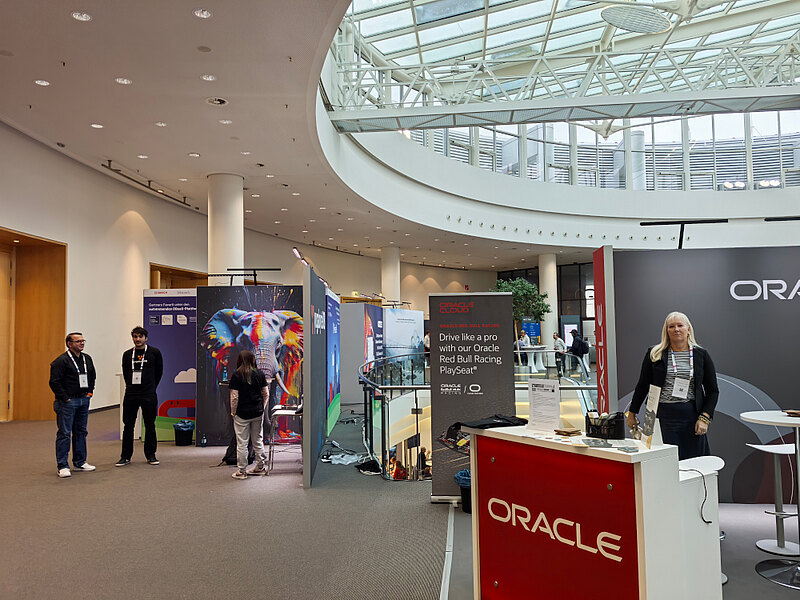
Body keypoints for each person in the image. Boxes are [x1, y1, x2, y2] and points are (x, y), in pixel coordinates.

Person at [626, 312, 719, 460]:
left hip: (691, 417)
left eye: (680, 325)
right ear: (666, 331)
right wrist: (632, 413)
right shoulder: (655, 354)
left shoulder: (701, 355)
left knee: (694, 462)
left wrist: (704, 418)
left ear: (688, 329)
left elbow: (713, 391)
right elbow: (642, 386)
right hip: (661, 416)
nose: (676, 329)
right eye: (671, 326)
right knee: (664, 461)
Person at [49, 332, 97, 478]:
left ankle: (80, 461)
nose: (82, 343)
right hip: (67, 402)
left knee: (81, 431)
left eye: (83, 341)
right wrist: (66, 398)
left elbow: (92, 376)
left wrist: (90, 392)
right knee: (64, 433)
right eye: (78, 341)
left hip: (84, 400)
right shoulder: (61, 361)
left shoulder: (86, 358)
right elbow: (54, 382)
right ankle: (62, 466)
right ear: (69, 344)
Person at [117, 326, 163, 467]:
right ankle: (125, 456)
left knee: (150, 425)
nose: (137, 339)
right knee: (128, 425)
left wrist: (151, 387)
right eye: (135, 336)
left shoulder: (154, 353)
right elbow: (126, 372)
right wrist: (132, 386)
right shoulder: (127, 354)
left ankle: (151, 455)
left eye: (140, 337)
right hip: (131, 394)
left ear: (146, 338)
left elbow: (159, 372)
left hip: (148, 394)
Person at [228, 350, 268, 479]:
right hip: (257, 413)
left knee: (242, 443)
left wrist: (233, 411)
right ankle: (260, 467)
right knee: (258, 440)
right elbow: (266, 393)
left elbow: (234, 397)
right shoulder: (260, 374)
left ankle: (242, 471)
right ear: (253, 360)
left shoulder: (236, 375)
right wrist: (262, 407)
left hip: (242, 414)